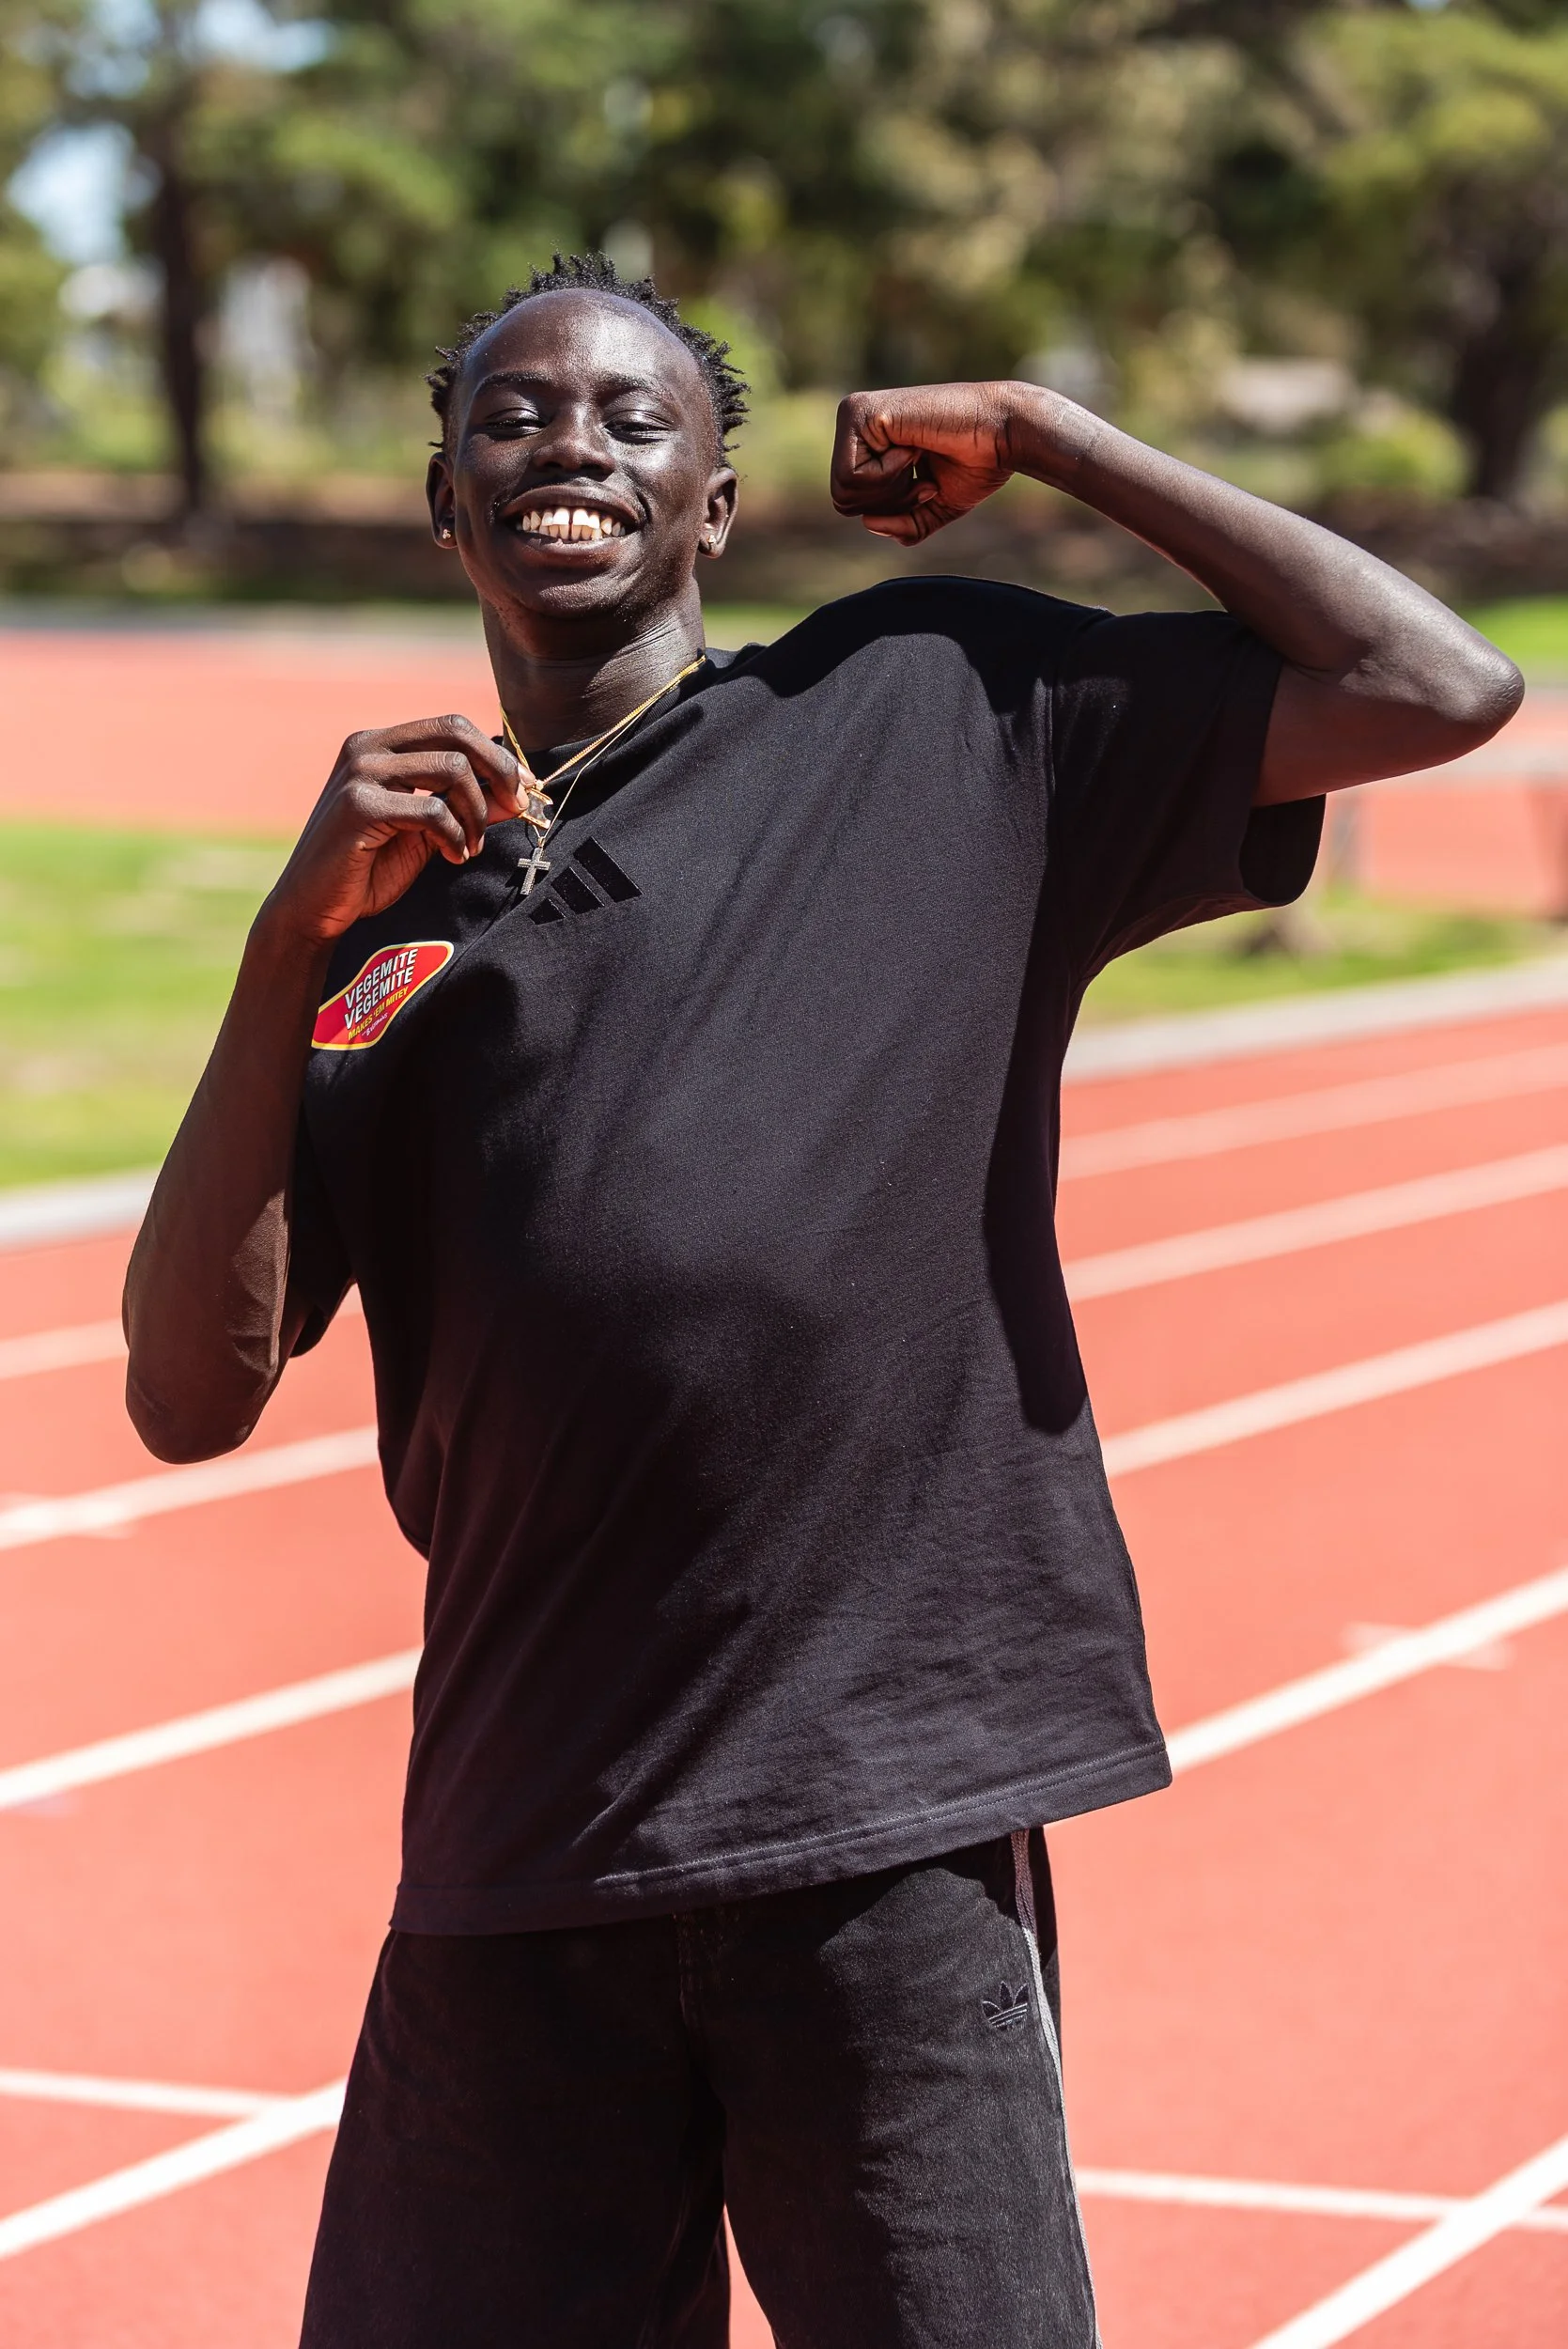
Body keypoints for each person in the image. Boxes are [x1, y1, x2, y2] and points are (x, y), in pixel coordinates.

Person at [122, 252, 1520, 2349]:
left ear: (713, 506)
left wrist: (1051, 439)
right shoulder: (385, 917)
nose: (566, 444)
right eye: (512, 414)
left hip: (877, 1824)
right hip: (522, 1842)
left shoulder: (933, 705)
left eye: (630, 417)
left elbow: (1435, 683)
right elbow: (184, 1390)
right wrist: (279, 949)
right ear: (446, 499)